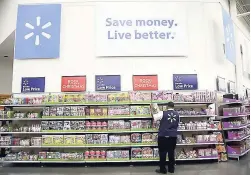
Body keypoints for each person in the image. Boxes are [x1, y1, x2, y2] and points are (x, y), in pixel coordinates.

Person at [151, 102, 179, 174]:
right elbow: (177, 124)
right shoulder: (177, 114)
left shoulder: (162, 113)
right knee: (171, 153)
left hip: (163, 136)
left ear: (167, 107)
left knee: (163, 153)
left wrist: (153, 109)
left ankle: (163, 169)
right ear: (173, 107)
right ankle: (171, 169)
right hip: (173, 136)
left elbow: (155, 118)